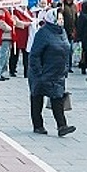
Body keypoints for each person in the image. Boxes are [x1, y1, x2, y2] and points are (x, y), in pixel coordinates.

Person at [28, 8, 76, 137]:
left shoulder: (63, 32)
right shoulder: (43, 33)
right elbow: (34, 55)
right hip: (43, 73)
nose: (61, 21)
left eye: (62, 18)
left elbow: (66, 51)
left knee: (58, 98)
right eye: (59, 18)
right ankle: (38, 125)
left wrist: (66, 68)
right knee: (37, 98)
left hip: (58, 73)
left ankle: (62, 126)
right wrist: (38, 72)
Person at [10, 7, 33, 77]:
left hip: (27, 36)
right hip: (17, 35)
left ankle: (27, 72)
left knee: (26, 55)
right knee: (14, 54)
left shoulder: (29, 12)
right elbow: (16, 23)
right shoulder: (14, 12)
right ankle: (12, 70)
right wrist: (28, 23)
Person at [0, 8, 14, 81]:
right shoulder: (2, 11)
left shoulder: (6, 10)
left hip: (7, 36)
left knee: (6, 56)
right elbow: (1, 23)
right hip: (4, 35)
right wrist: (10, 28)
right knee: (3, 55)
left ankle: (1, 72)